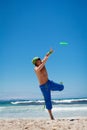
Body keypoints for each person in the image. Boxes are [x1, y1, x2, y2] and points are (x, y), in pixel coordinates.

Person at [32, 49, 64, 120]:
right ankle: (51, 116)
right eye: (38, 60)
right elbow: (39, 68)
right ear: (35, 63)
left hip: (49, 82)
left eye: (39, 59)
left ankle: (56, 86)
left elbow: (46, 56)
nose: (39, 60)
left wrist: (49, 53)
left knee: (62, 87)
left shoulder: (42, 63)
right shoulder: (36, 68)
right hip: (44, 87)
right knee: (48, 100)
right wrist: (45, 60)